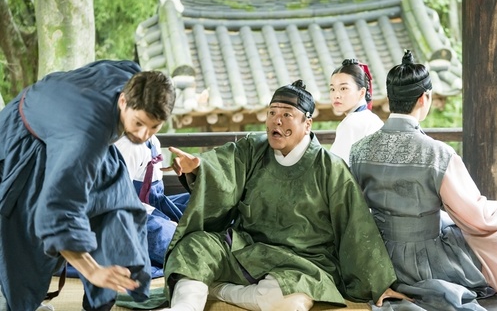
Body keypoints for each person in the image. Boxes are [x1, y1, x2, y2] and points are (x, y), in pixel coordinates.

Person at [159, 80, 411, 311]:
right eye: (272, 114)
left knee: (290, 301)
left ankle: (218, 289)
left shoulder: (330, 168)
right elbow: (221, 167)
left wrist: (377, 283)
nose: (276, 121)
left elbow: (355, 225)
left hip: (303, 261)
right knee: (193, 248)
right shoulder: (253, 149)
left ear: (307, 123)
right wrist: (198, 168)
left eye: (287, 115)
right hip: (247, 247)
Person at [349, 50, 497, 310]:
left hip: (378, 258)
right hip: (426, 261)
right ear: (423, 98)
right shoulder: (437, 153)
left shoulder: (359, 149)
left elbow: (355, 212)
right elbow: (476, 217)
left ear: (391, 99)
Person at [0, 60, 176, 311]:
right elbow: (56, 214)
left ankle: (103, 299)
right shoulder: (85, 138)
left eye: (154, 127)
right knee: (26, 242)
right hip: (29, 138)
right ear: (123, 101)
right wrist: (92, 271)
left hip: (76, 126)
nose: (143, 135)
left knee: (121, 210)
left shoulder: (136, 78)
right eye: (138, 123)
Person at [115, 134, 190, 278]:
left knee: (199, 201)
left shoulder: (152, 140)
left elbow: (156, 197)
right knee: (169, 238)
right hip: (123, 215)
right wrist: (164, 220)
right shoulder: (126, 146)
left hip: (153, 205)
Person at [329, 58, 383, 164]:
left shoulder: (351, 123)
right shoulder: (373, 118)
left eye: (344, 88)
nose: (336, 95)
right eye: (332, 89)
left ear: (362, 92)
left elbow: (335, 168)